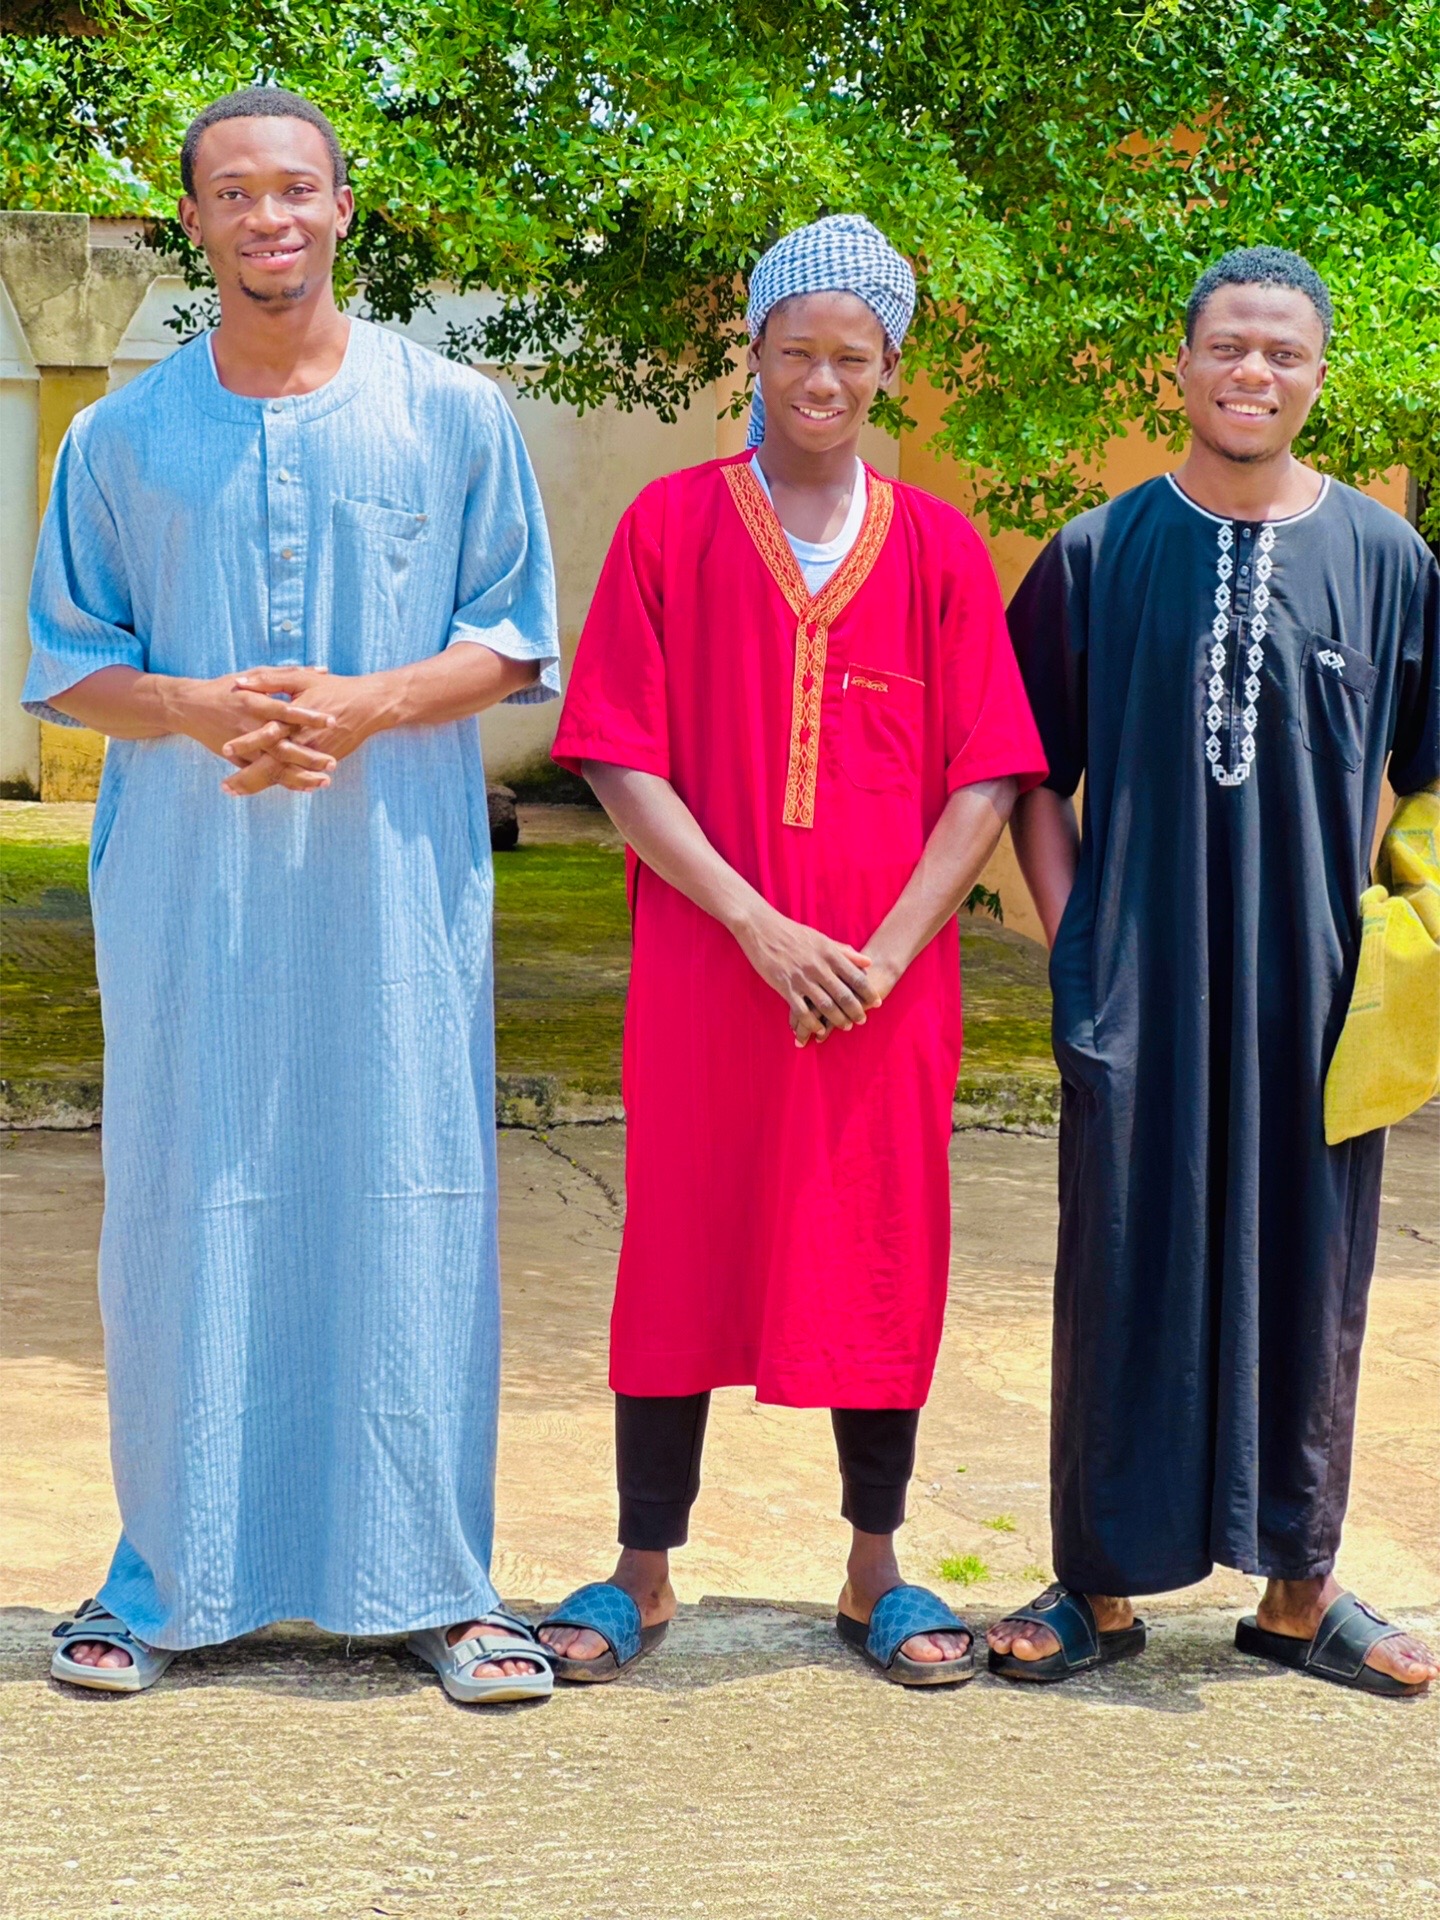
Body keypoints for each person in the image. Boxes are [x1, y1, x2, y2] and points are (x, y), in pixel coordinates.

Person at [30, 88, 562, 1705]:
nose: (269, 217)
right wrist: (195, 708)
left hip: (392, 895)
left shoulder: (452, 414)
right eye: (235, 193)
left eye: (296, 189)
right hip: (190, 895)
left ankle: (435, 1582)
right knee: (186, 1202)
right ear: (193, 220)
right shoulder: (121, 438)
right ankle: (166, 1577)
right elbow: (70, 662)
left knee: (408, 1197)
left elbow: (513, 638)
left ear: (343, 206)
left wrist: (368, 703)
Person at [540, 215, 1049, 1687]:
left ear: (890, 369)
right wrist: (757, 925)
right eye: (796, 350)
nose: (822, 380)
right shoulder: (670, 526)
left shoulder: (939, 546)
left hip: (883, 990)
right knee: (682, 1239)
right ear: (753, 350)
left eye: (853, 356)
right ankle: (642, 1570)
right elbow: (619, 756)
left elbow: (988, 773)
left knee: (878, 1243)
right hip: (712, 967)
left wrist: (884, 953)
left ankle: (876, 1565)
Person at [987, 247, 1440, 1697]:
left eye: (1284, 353)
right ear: (1179, 367)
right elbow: (1025, 769)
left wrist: (1402, 946)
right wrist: (1081, 939)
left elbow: (1430, 780)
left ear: (1319, 376)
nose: (1254, 374)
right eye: (1229, 347)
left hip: (1319, 992)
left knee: (1316, 1269)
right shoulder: (1097, 553)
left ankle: (1303, 1589)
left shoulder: (1388, 560)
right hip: (1138, 982)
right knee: (1122, 1260)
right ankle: (1098, 1585)